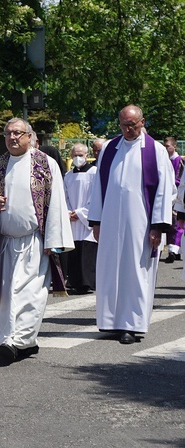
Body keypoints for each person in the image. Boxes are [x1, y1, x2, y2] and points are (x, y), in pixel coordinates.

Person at [0, 118, 74, 363]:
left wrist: (53, 241)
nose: (12, 137)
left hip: (35, 242)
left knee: (31, 294)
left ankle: (18, 340)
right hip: (4, 243)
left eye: (18, 133)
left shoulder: (45, 163)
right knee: (7, 295)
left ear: (29, 136)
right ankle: (14, 340)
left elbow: (56, 202)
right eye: (8, 133)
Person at [88, 105, 174, 345]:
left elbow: (164, 191)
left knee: (136, 271)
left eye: (133, 125)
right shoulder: (109, 148)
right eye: (124, 125)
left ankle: (132, 325)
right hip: (111, 221)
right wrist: (96, 221)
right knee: (109, 269)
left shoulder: (155, 150)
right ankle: (110, 321)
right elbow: (99, 187)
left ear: (142, 122)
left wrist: (157, 226)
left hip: (142, 224)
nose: (128, 129)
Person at [63, 143, 97, 294]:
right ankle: (74, 281)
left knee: (87, 250)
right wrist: (69, 211)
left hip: (86, 217)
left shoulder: (94, 173)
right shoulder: (68, 175)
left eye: (80, 155)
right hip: (72, 218)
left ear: (86, 155)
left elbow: (96, 196)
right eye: (75, 155)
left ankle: (87, 282)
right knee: (74, 251)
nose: (77, 158)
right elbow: (65, 196)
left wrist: (81, 213)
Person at [163, 137, 183, 263]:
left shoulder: (179, 161)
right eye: (164, 146)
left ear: (174, 146)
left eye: (168, 146)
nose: (166, 148)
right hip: (167, 193)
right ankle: (174, 249)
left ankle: (174, 250)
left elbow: (180, 179)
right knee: (170, 223)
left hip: (177, 195)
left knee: (177, 223)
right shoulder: (164, 160)